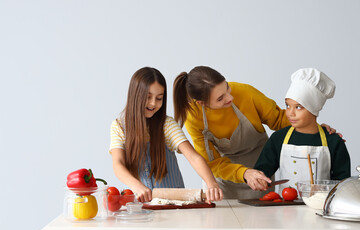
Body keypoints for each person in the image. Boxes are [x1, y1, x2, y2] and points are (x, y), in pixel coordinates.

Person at [173, 66, 338, 199]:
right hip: (224, 181)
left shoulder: (245, 93)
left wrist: (311, 127)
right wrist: (244, 173)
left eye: (227, 89)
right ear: (202, 103)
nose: (229, 98)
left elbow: (280, 121)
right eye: (220, 99)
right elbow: (213, 163)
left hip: (261, 174)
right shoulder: (193, 118)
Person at [109, 67, 223, 203]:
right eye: (148, 97)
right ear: (135, 95)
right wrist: (137, 186)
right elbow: (118, 164)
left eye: (159, 98)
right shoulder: (120, 126)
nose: (153, 103)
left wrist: (211, 183)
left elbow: (193, 157)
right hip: (142, 204)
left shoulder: (167, 125)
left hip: (174, 204)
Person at [254, 68, 351, 193]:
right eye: (287, 105)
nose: (290, 113)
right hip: (285, 208)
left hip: (320, 207)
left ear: (314, 109)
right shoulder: (278, 138)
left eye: (298, 107)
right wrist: (260, 179)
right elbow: (262, 170)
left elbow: (342, 184)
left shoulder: (333, 141)